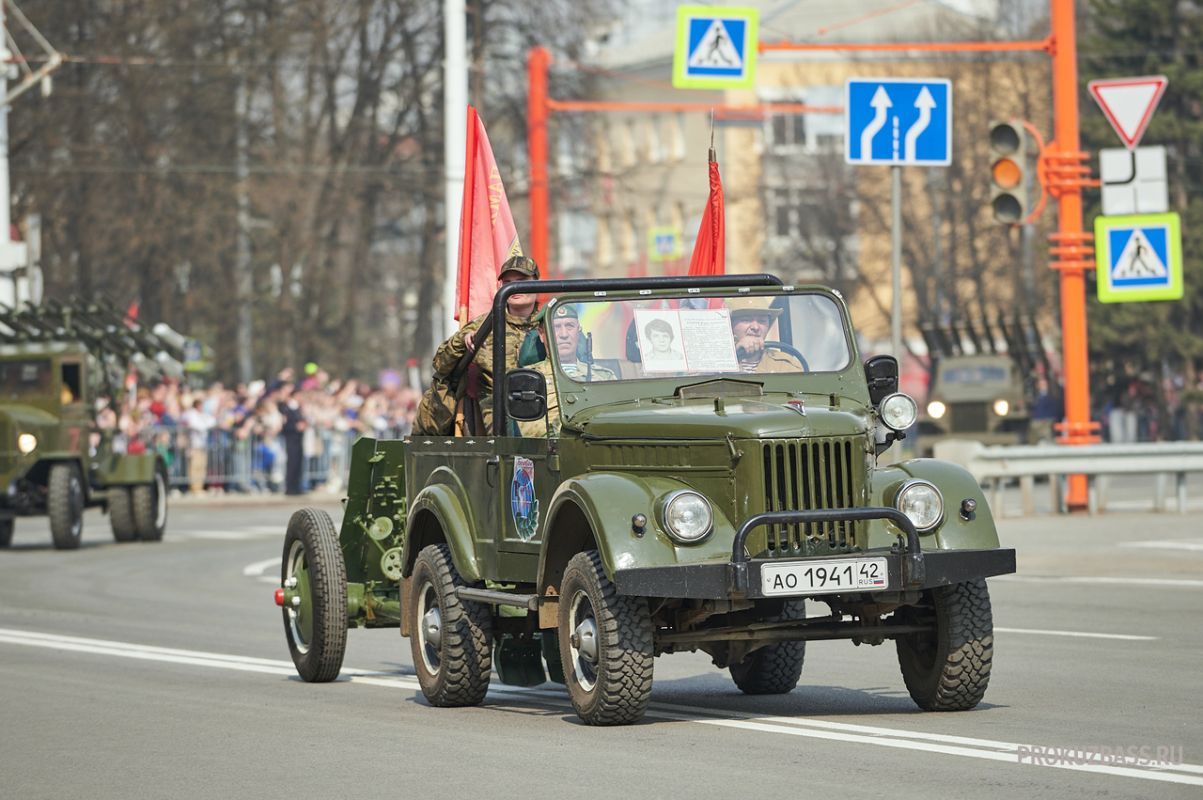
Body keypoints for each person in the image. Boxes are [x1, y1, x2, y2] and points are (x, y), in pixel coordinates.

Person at [416, 255, 542, 435]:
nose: (515, 288)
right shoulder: (485, 325)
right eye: (508, 283)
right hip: (498, 407)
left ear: (537, 283)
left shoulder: (551, 324)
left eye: (522, 281)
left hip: (545, 403)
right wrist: (462, 341)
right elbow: (440, 365)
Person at [517, 304, 616, 437]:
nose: (564, 334)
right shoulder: (528, 379)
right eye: (556, 327)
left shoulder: (605, 376)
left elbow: (617, 419)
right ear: (541, 334)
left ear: (578, 330)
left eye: (569, 326)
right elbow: (531, 432)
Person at [727, 297, 805, 373]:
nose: (755, 327)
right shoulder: (718, 362)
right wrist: (735, 355)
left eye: (762, 321)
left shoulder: (785, 365)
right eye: (746, 320)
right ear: (730, 324)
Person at [276, 380, 307, 495]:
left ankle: (296, 486)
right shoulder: (286, 407)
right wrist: (295, 426)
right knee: (291, 462)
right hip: (291, 437)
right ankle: (290, 487)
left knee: (298, 462)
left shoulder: (298, 408)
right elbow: (285, 424)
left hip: (298, 438)